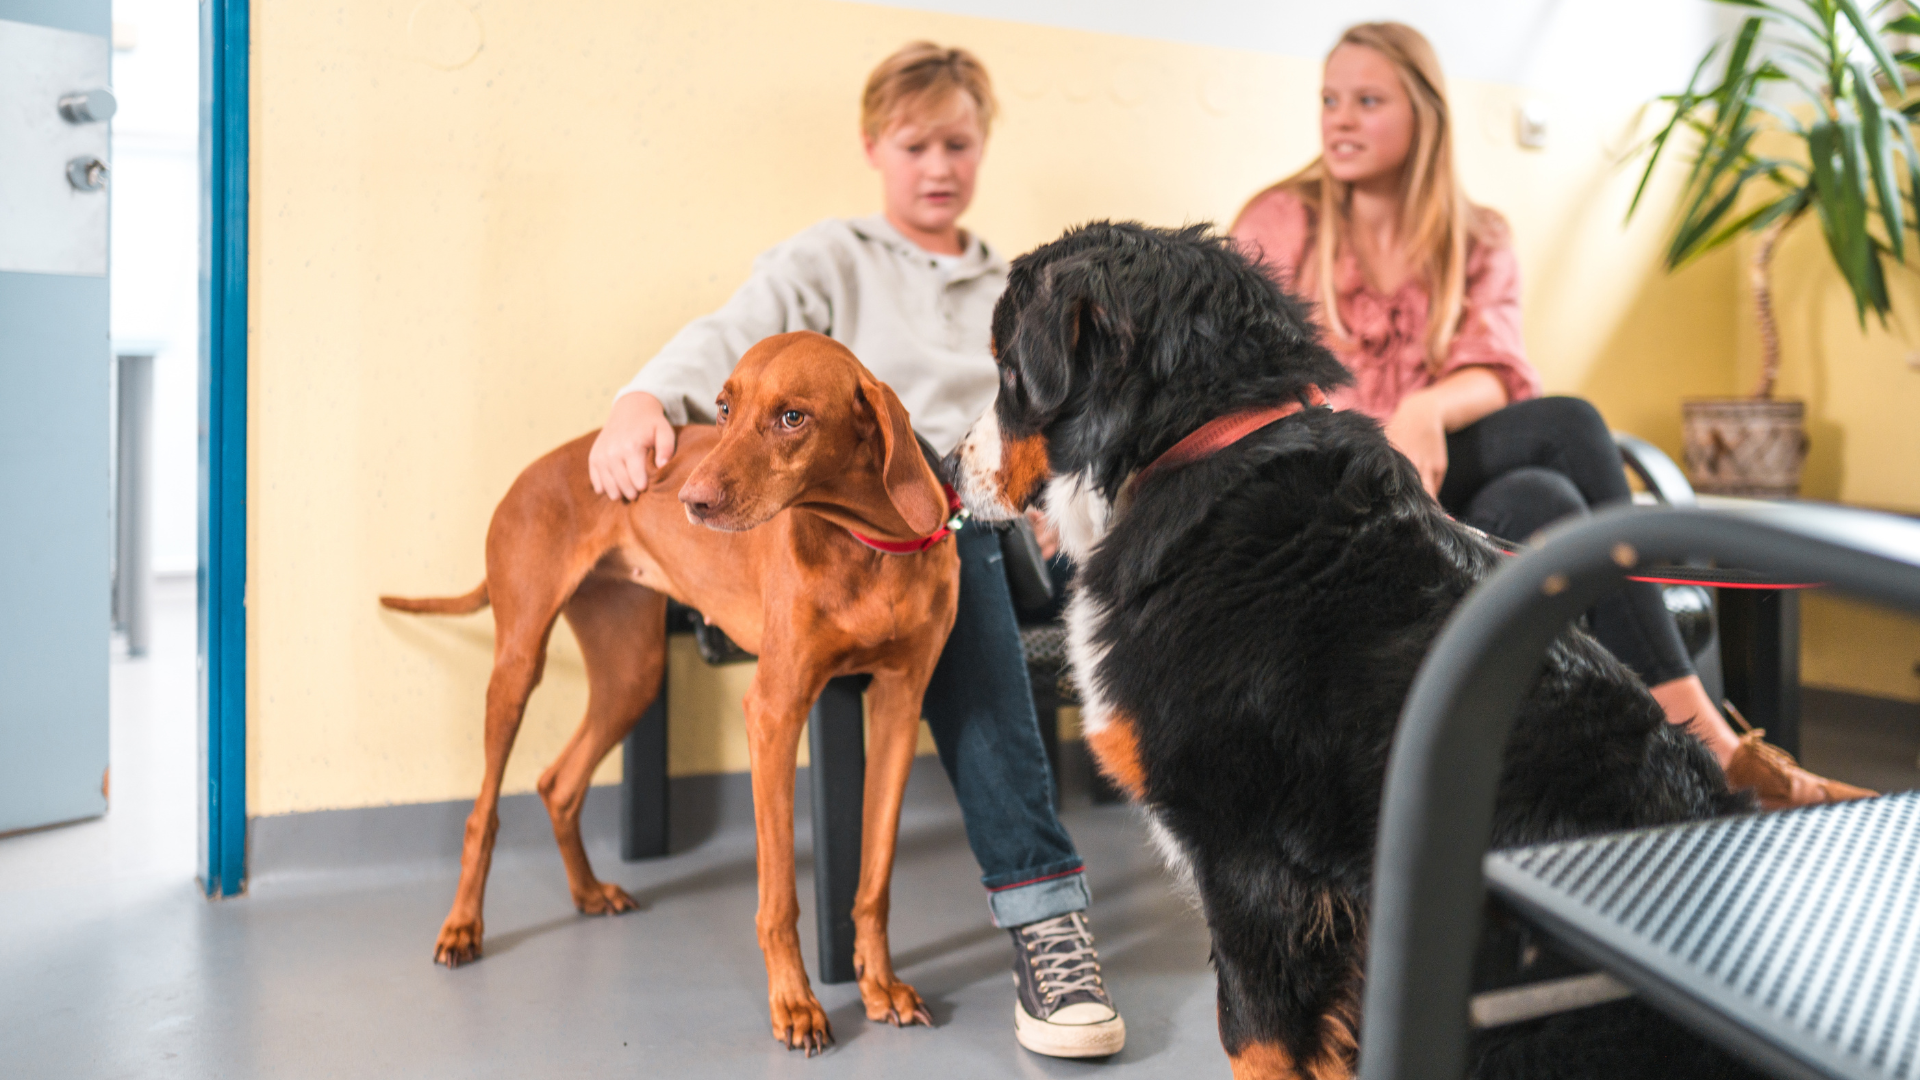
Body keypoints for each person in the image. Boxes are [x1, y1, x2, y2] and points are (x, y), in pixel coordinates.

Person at [588, 43, 1125, 1058]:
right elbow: (730, 337)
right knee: (949, 540)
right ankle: (1045, 914)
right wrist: (642, 399)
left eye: (958, 144)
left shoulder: (1018, 289)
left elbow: (1056, 421)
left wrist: (1060, 493)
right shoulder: (828, 260)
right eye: (916, 143)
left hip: (1016, 524)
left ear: (982, 150)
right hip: (912, 533)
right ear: (875, 147)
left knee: (1168, 551)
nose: (938, 165)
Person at [1230, 22, 1870, 810]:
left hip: (1445, 498)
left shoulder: (1477, 234)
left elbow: (1500, 370)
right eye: (1330, 99)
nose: (1340, 118)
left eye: (1368, 100)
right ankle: (1705, 740)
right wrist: (1384, 429)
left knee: (1544, 504)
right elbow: (1254, 386)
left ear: (1424, 114)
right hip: (1338, 495)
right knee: (1568, 427)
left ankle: (1613, 783)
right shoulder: (1280, 221)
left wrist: (1427, 407)